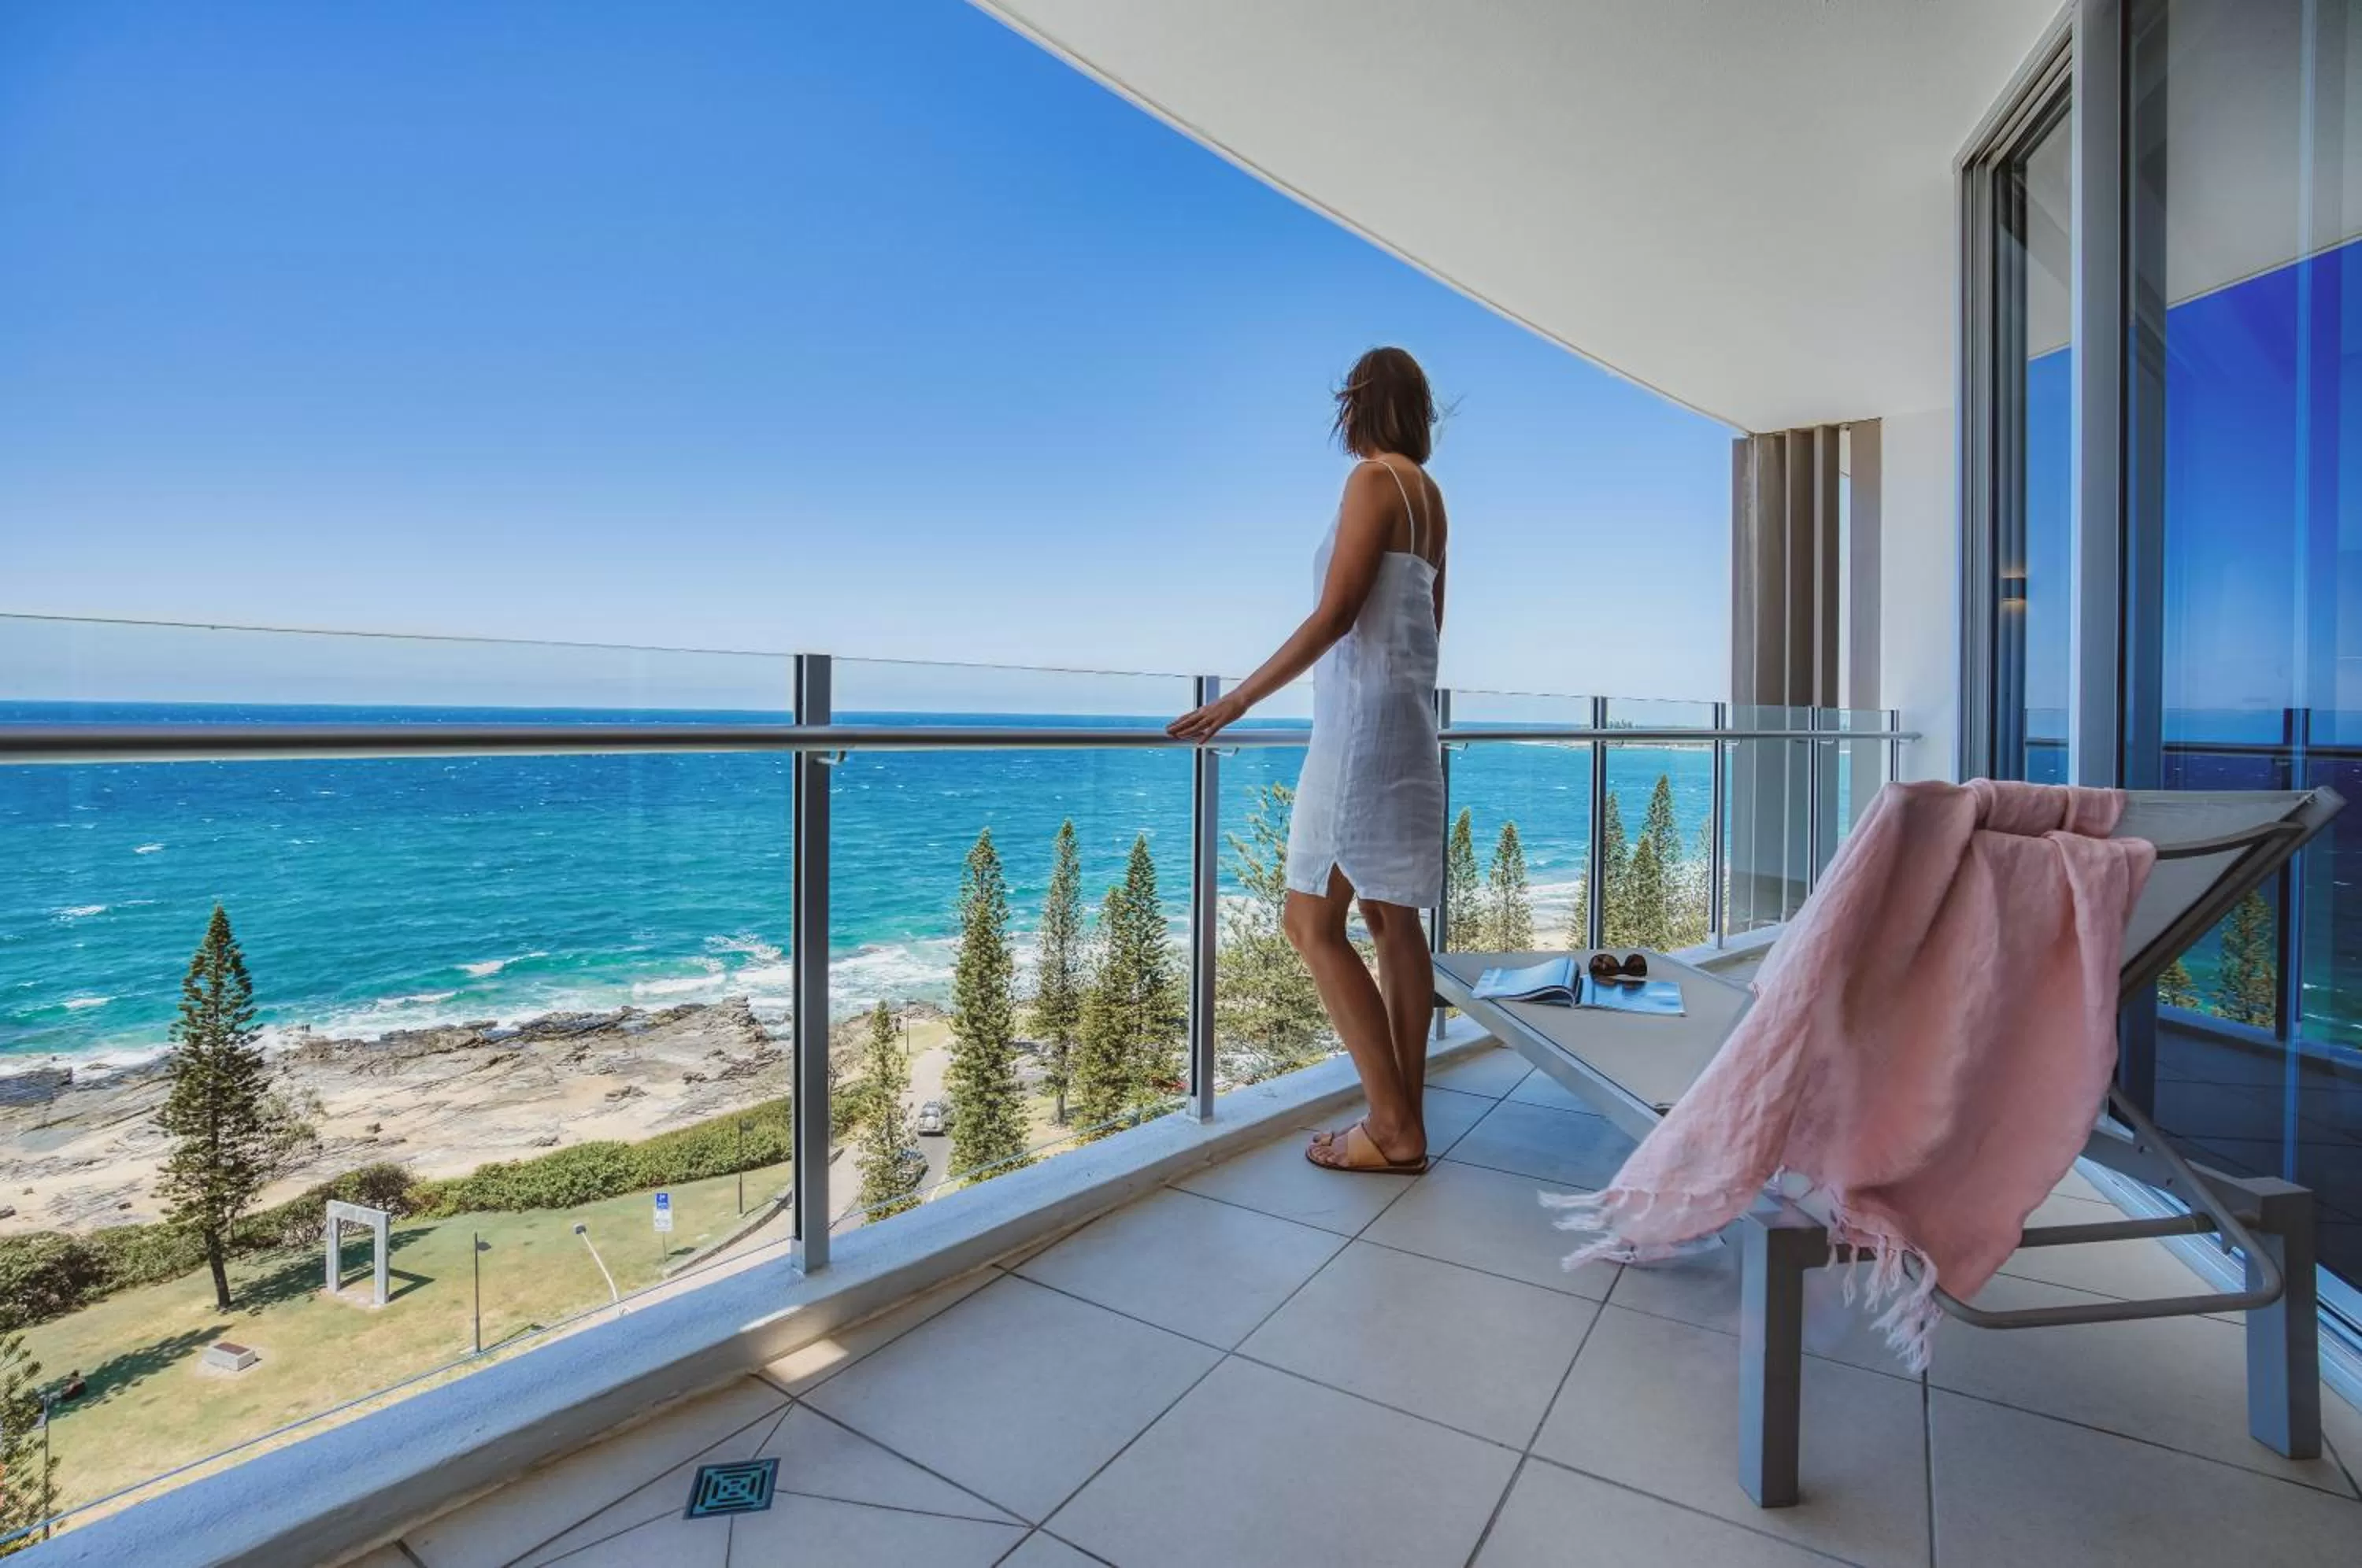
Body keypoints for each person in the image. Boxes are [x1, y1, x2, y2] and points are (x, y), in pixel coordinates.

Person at [1168, 346, 1447, 1172]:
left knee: (1309, 922)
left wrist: (1238, 699)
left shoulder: (1371, 483)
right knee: (1392, 917)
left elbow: (1335, 614)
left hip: (1360, 728)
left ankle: (1393, 1130)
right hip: (1408, 722)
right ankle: (1405, 1117)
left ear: (1356, 405)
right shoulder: (1432, 500)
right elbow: (1431, 626)